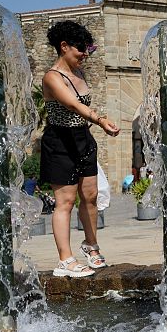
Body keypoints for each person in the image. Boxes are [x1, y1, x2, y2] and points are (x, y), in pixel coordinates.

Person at [41, 20, 120, 278]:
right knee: (64, 202)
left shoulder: (80, 73)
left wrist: (94, 123)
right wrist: (100, 120)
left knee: (90, 196)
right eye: (81, 49)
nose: (85, 54)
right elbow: (73, 105)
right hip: (60, 142)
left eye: (88, 49)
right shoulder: (52, 77)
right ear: (64, 46)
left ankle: (91, 244)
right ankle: (65, 259)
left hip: (83, 139)